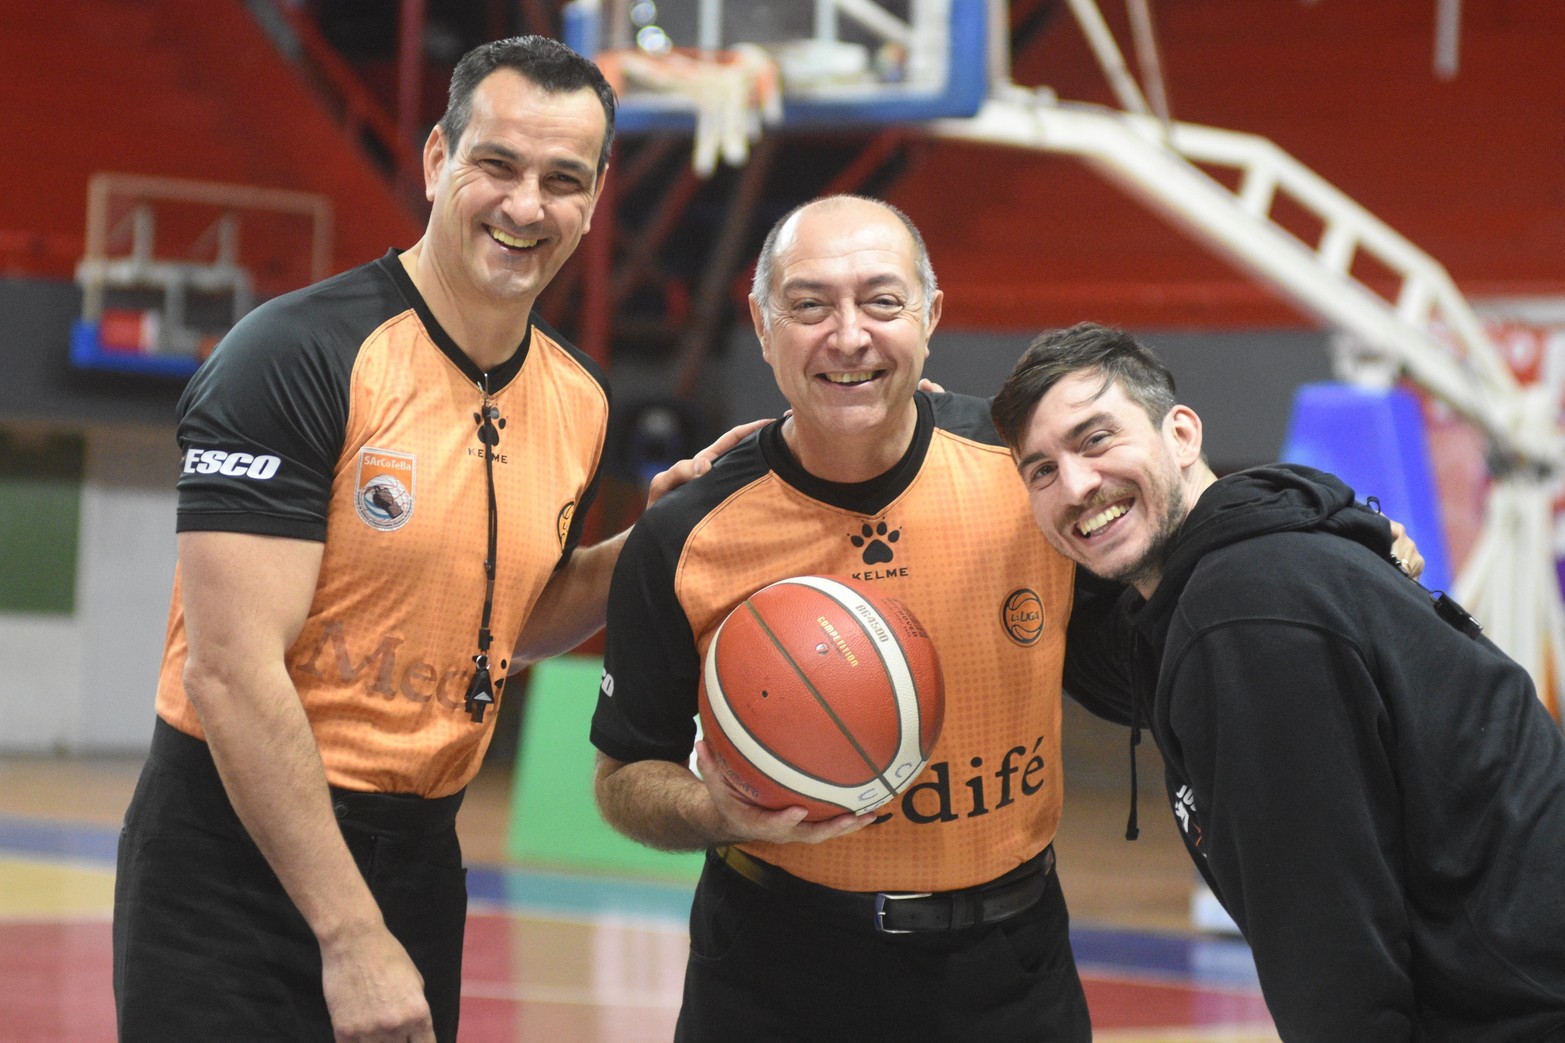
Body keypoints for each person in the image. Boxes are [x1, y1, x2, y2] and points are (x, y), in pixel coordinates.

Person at [112, 35, 750, 1043]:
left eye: (561, 180)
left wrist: (669, 529)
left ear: (593, 199)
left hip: (419, 854)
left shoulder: (579, 399)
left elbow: (509, 623)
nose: (525, 205)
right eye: (495, 164)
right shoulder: (293, 355)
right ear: (433, 160)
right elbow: (231, 673)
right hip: (230, 854)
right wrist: (350, 932)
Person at [590, 195, 1093, 1042]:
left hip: (1009, 968)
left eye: (882, 302)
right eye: (810, 304)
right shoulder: (686, 526)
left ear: (930, 318)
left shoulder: (1028, 469)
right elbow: (620, 779)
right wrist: (716, 814)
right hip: (773, 969)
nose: (849, 336)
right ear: (759, 322)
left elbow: (1174, 530)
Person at [990, 321, 1565, 1039]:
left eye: (1095, 438)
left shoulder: (1243, 614)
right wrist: (912, 415)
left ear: (1181, 434)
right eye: (1040, 469)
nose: (1075, 483)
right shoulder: (1249, 559)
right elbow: (1114, 664)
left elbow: (1330, 944)